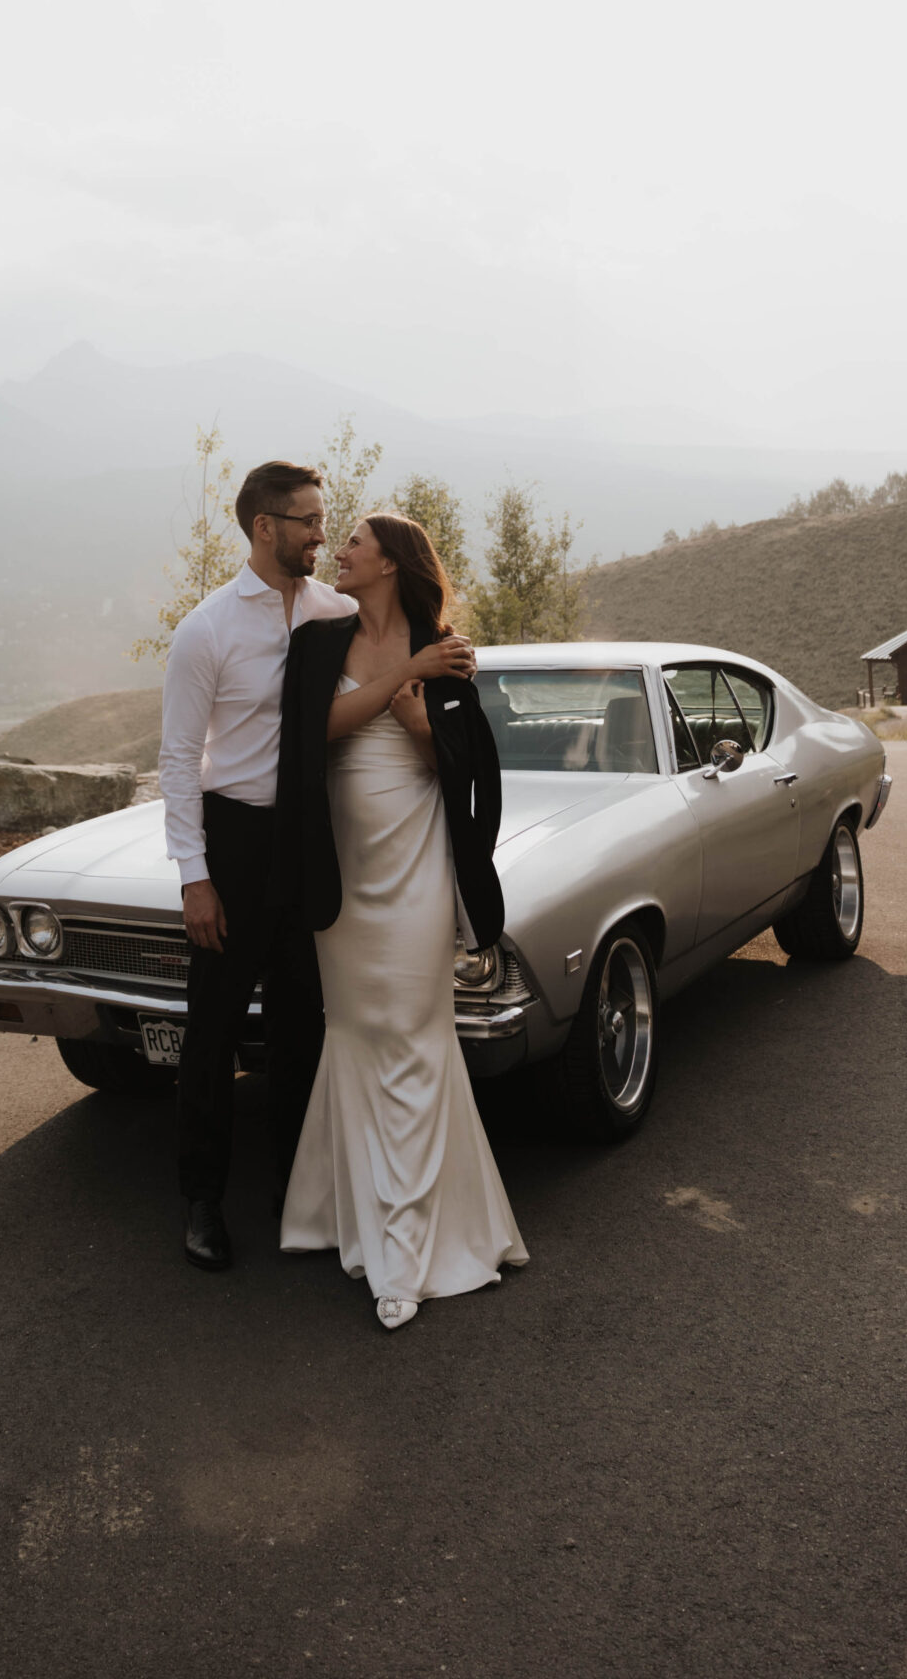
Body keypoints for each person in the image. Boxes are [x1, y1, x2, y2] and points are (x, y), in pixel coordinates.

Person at [277, 514, 528, 1330]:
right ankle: (335, 1216)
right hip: (339, 873)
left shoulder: (446, 651)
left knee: (414, 1032)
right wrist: (399, 681)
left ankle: (410, 1248)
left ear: (389, 562)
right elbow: (306, 740)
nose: (337, 553)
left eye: (351, 542)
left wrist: (423, 729)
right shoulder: (318, 644)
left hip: (416, 869)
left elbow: (472, 777)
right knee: (353, 1031)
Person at [159, 458, 355, 1274]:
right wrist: (194, 876)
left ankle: (295, 1194)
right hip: (232, 841)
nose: (321, 534)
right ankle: (203, 1200)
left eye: (322, 519)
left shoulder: (334, 610)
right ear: (264, 527)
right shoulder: (206, 629)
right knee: (211, 1030)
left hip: (307, 841)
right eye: (308, 520)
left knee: (301, 1026)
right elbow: (176, 758)